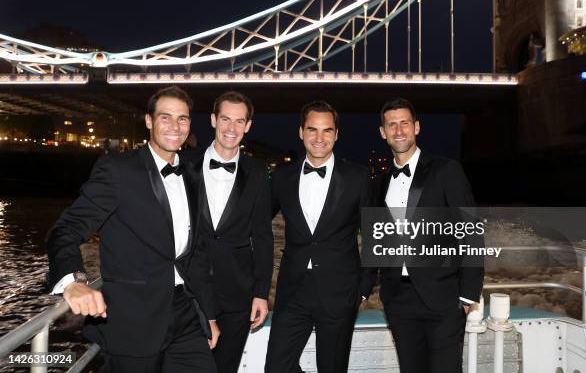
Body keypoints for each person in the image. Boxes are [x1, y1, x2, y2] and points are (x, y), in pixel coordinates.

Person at [46, 86, 219, 373]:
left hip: (186, 314)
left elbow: (194, 253)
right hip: (133, 320)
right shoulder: (117, 170)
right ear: (149, 121)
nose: (175, 127)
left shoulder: (191, 174)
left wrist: (208, 314)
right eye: (165, 118)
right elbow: (66, 229)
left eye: (183, 119)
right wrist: (75, 281)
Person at [361, 98, 484, 373]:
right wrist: (361, 290)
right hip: (398, 300)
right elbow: (375, 241)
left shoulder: (446, 171)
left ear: (416, 127)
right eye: (391, 125)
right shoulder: (379, 183)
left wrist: (466, 297)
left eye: (404, 123)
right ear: (383, 132)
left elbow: (471, 233)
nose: (398, 130)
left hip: (444, 299)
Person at [264, 101, 370, 373]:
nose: (319, 138)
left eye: (327, 131)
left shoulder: (358, 177)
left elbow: (374, 234)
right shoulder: (282, 176)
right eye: (312, 130)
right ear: (301, 132)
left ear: (336, 134)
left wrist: (363, 288)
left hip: (340, 291)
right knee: (277, 366)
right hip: (293, 290)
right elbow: (257, 222)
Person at [181, 91, 273, 373]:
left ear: (248, 126)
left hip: (238, 293)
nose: (231, 129)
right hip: (189, 291)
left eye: (239, 121)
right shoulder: (183, 165)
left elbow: (262, 236)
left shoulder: (258, 172)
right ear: (212, 120)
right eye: (225, 119)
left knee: (226, 368)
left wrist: (261, 293)